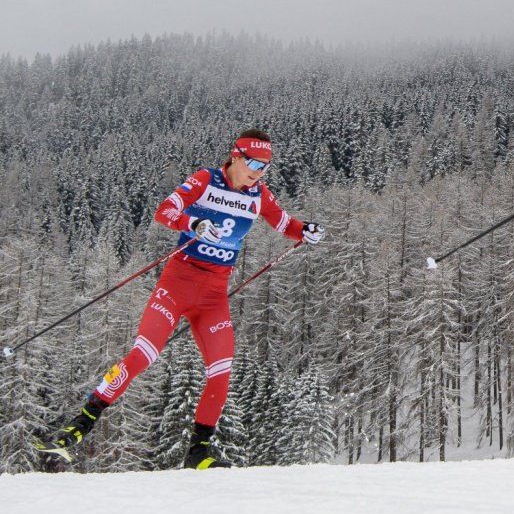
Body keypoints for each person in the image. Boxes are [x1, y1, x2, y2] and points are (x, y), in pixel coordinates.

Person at [35, 129, 324, 469]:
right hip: (178, 283)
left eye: (266, 166)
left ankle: (198, 453)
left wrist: (305, 230)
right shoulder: (206, 179)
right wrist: (194, 222)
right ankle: (76, 429)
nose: (259, 171)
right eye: (253, 163)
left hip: (214, 295)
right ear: (235, 156)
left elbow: (284, 223)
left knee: (221, 371)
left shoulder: (259, 194)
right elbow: (165, 210)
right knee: (144, 355)